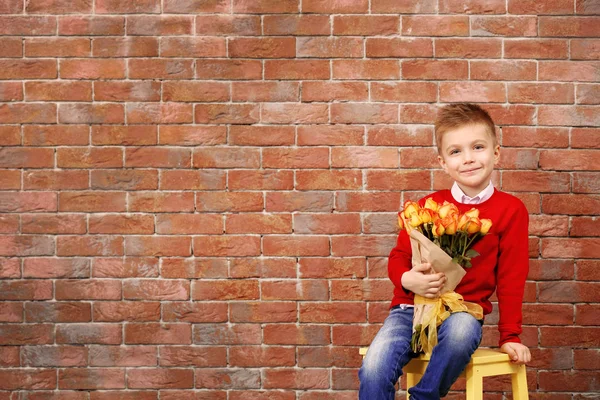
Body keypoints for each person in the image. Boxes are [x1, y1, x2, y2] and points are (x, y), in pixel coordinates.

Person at [358, 103, 532, 400]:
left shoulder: (511, 210)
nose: (468, 159)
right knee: (374, 366)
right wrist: (407, 280)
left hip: (461, 312)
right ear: (442, 162)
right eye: (456, 151)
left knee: (463, 332)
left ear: (496, 152)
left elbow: (511, 277)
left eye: (477, 147)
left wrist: (510, 336)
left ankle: (423, 397)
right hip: (410, 311)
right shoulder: (426, 206)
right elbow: (399, 256)